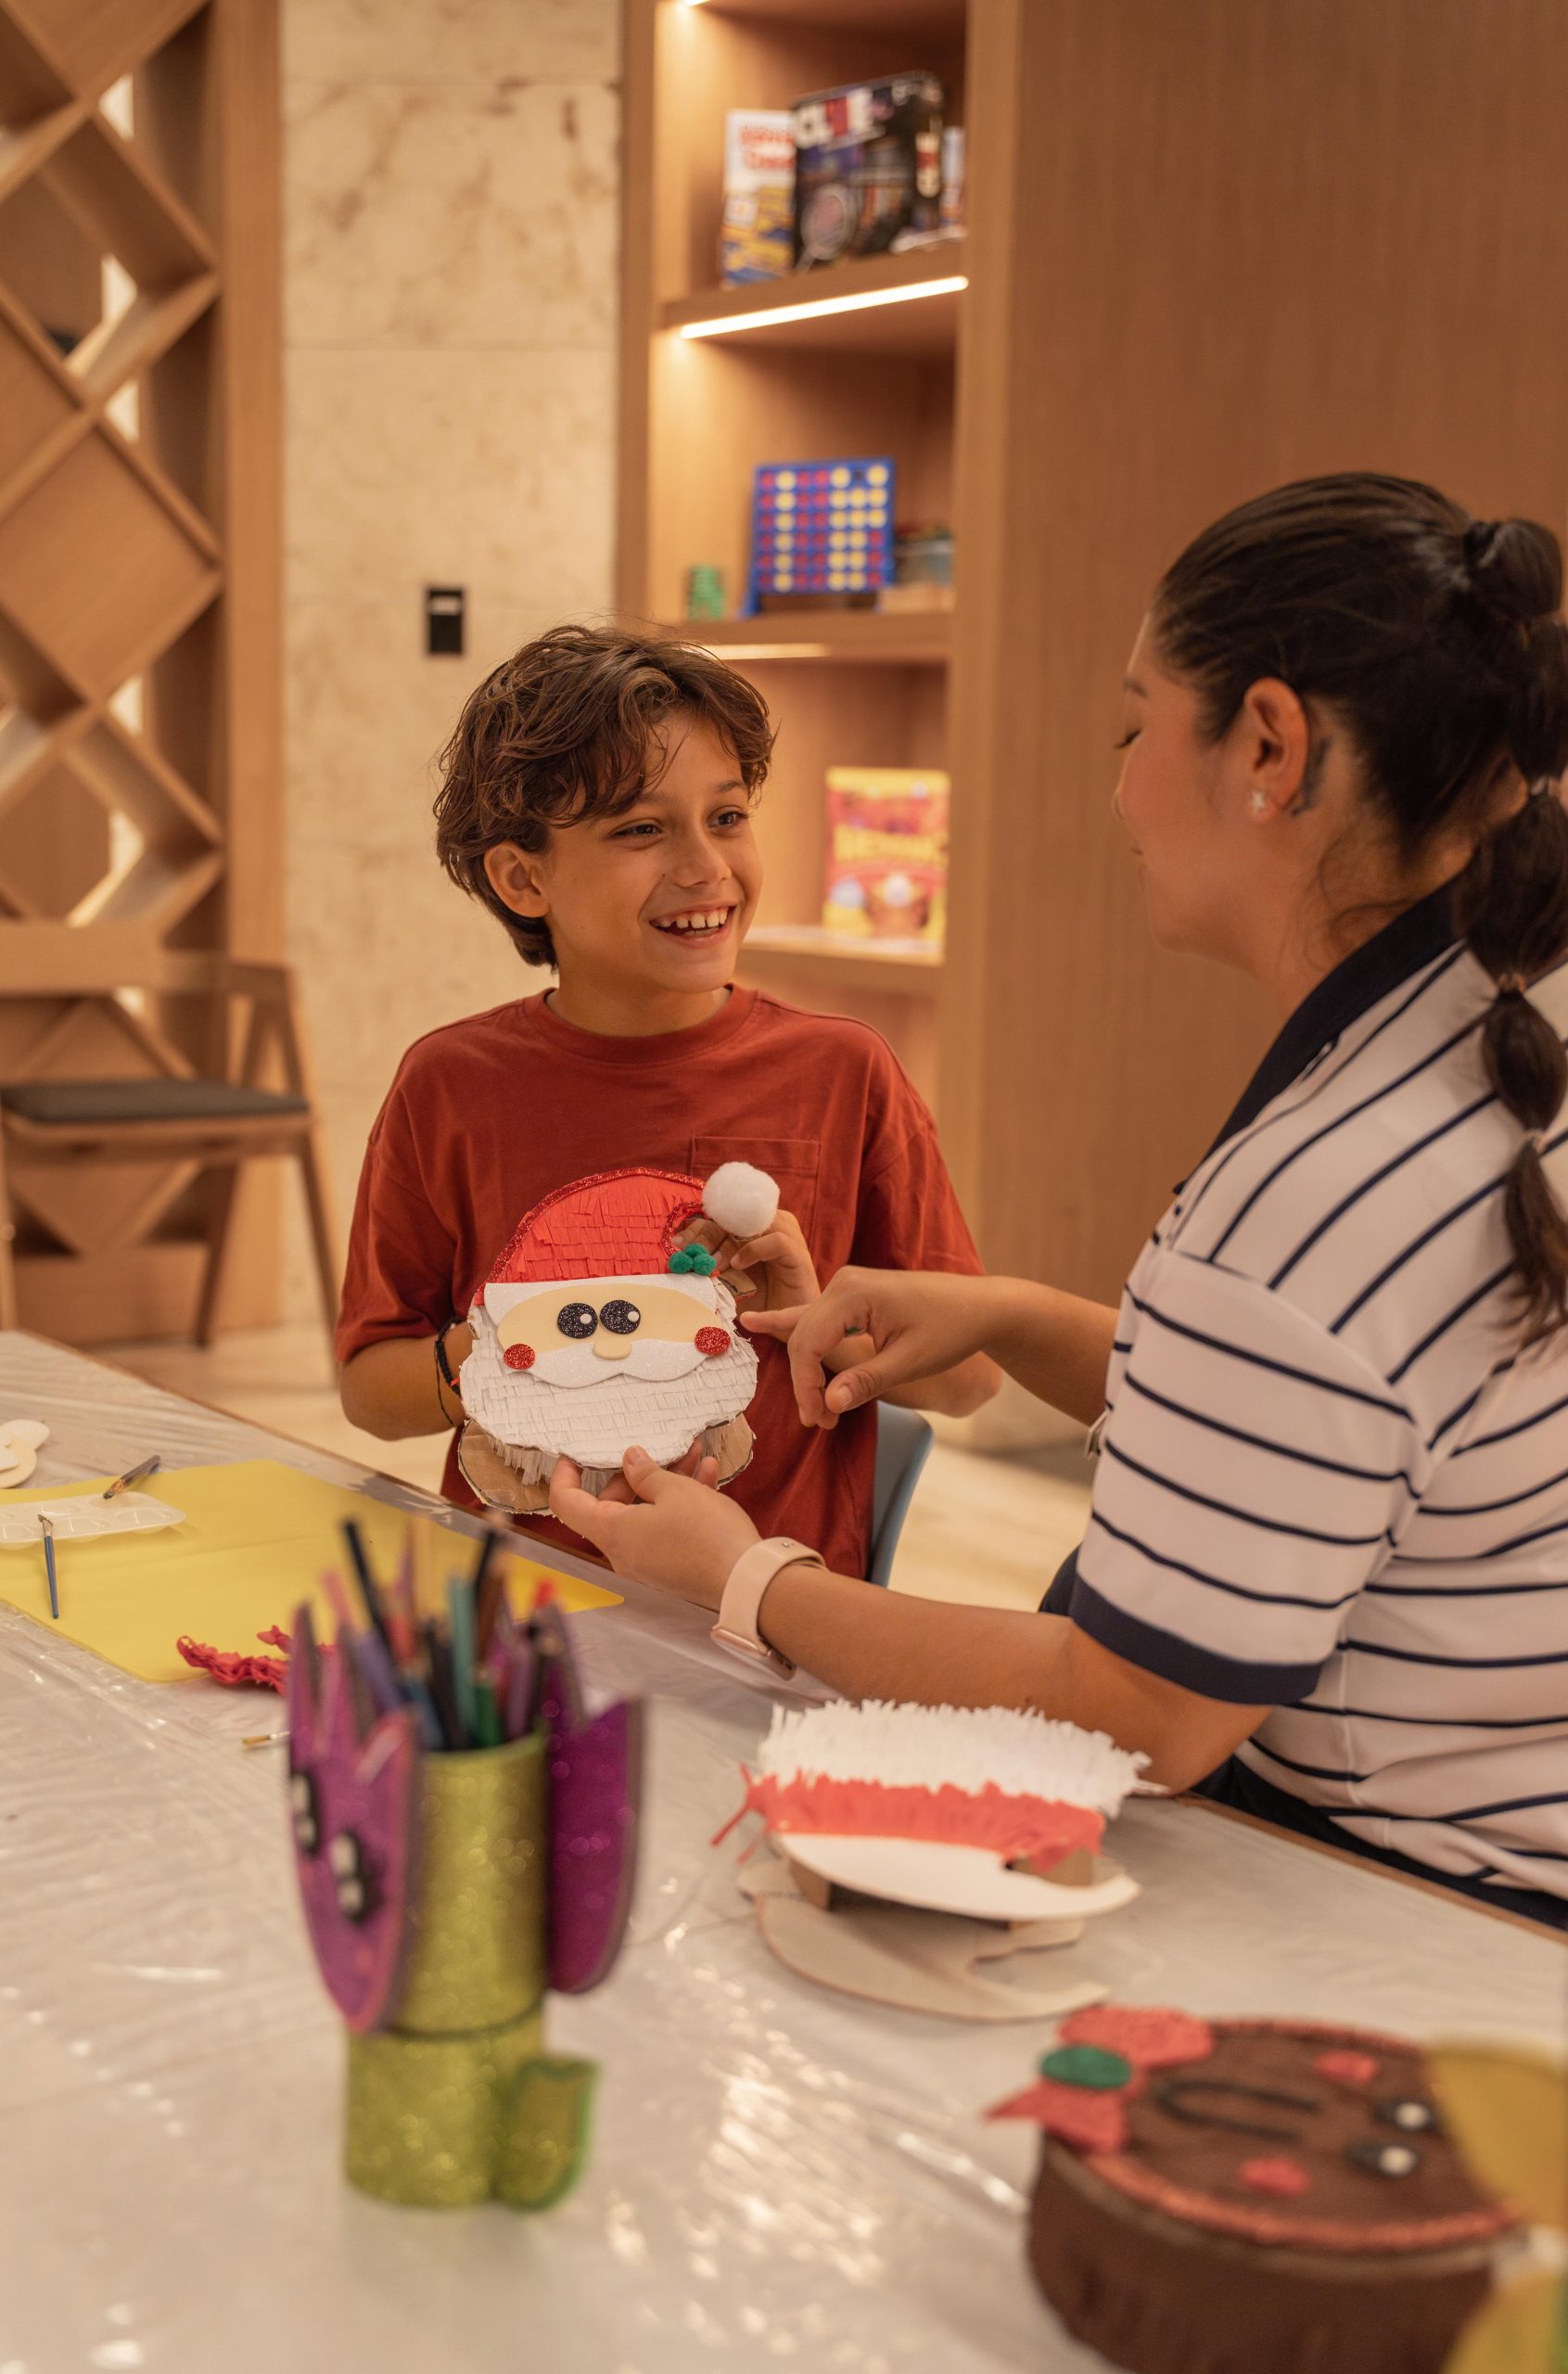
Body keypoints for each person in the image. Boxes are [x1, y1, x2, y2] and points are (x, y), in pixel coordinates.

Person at [552, 476, 1568, 1928]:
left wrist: (746, 1579)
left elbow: (1140, 1711)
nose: (1115, 788)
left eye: (1132, 721)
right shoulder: (1504, 1032)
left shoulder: (1311, 1194)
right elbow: (1359, 1433)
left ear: (1265, 746)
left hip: (1413, 1907)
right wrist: (1029, 1320)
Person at [336, 624, 997, 1579]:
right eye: (641, 829)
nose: (704, 867)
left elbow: (970, 1378)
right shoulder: (449, 1084)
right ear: (523, 878)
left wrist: (824, 1320)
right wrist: (511, 1344)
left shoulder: (844, 1072)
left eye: (726, 817)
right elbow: (371, 1387)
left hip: (772, 1621)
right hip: (523, 1608)